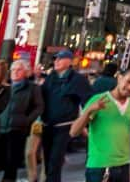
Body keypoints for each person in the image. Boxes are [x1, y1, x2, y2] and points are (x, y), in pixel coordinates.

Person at [71, 67, 130, 182]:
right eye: (129, 81)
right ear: (119, 78)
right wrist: (88, 111)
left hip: (124, 165)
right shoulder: (98, 100)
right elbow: (73, 132)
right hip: (99, 166)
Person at [41, 54, 91, 182]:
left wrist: (85, 122)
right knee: (47, 163)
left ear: (69, 62)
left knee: (54, 163)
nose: (56, 61)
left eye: (60, 59)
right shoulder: (50, 78)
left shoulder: (77, 80)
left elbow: (89, 101)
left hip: (64, 126)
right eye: (55, 58)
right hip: (47, 125)